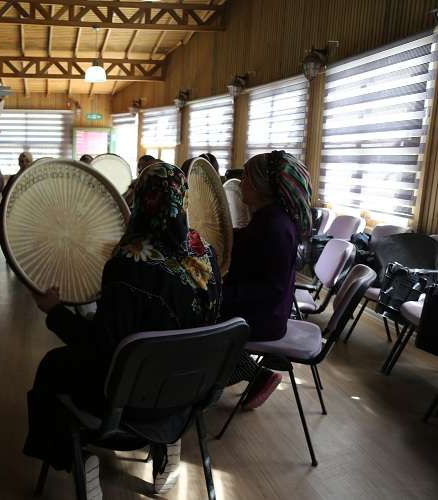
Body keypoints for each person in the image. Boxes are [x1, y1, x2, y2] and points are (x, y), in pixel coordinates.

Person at [23, 163, 221, 495]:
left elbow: (102, 348)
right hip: (190, 393)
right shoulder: (206, 255)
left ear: (141, 201)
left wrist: (55, 312)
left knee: (52, 367)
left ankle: (76, 458)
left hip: (132, 400)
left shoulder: (130, 264)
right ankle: (167, 441)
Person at [221, 150, 313, 409]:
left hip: (264, 317)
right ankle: (243, 374)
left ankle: (214, 382)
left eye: (247, 179)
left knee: (197, 315)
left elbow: (269, 290)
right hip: (269, 310)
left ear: (263, 187)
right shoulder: (270, 219)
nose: (241, 185)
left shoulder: (274, 226)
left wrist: (219, 295)